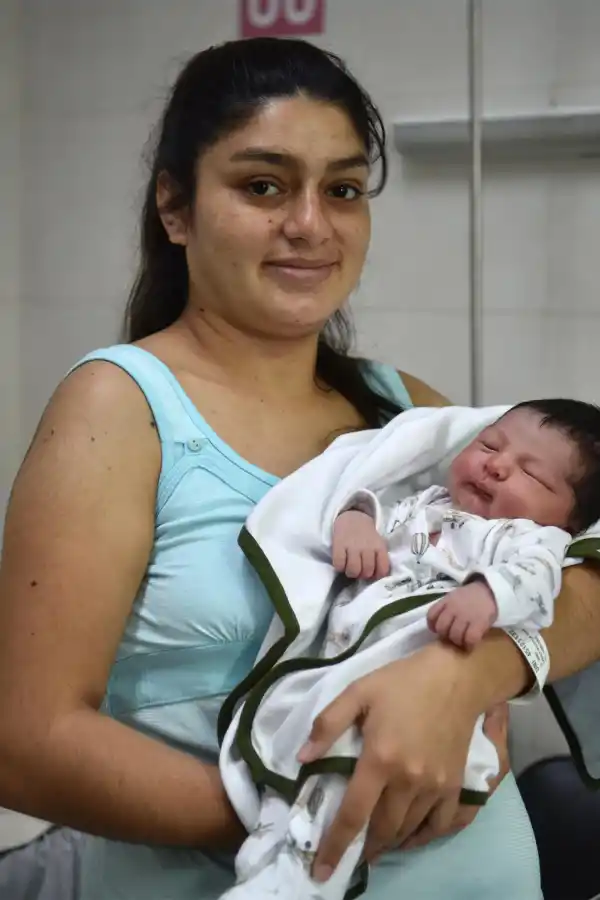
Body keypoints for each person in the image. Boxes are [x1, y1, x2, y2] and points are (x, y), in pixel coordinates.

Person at [0, 36, 599, 900]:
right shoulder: (122, 410)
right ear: (176, 207)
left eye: (344, 190)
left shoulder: (408, 413)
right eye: (263, 186)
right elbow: (24, 743)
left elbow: (584, 563)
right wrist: (314, 807)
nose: (311, 224)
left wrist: (467, 675)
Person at [216, 398, 600, 900]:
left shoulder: (522, 539)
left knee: (347, 775)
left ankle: (305, 885)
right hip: (342, 666)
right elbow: (380, 510)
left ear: (566, 524)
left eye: (533, 475)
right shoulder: (427, 507)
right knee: (290, 762)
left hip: (409, 692)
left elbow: (538, 576)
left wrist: (488, 594)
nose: (498, 465)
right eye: (489, 444)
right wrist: (356, 519)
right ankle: (265, 864)